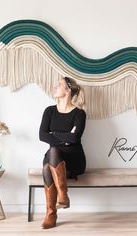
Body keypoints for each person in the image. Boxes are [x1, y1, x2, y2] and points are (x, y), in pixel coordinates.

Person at [39, 76, 87, 229]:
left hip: (74, 160)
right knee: (52, 155)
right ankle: (61, 199)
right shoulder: (49, 111)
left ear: (68, 91)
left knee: (48, 163)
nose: (55, 87)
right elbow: (42, 135)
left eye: (59, 85)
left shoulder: (79, 114)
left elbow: (74, 138)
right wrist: (65, 137)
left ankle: (51, 213)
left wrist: (54, 134)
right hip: (54, 159)